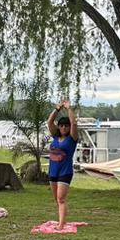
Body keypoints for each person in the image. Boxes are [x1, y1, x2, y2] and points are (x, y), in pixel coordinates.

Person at [47, 98, 79, 231]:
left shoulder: (72, 139)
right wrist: (57, 109)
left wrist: (68, 108)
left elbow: (74, 123)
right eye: (61, 125)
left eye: (66, 126)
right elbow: (49, 121)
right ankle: (62, 219)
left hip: (65, 172)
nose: (64, 127)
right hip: (53, 172)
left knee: (61, 199)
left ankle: (61, 225)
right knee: (57, 199)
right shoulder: (55, 137)